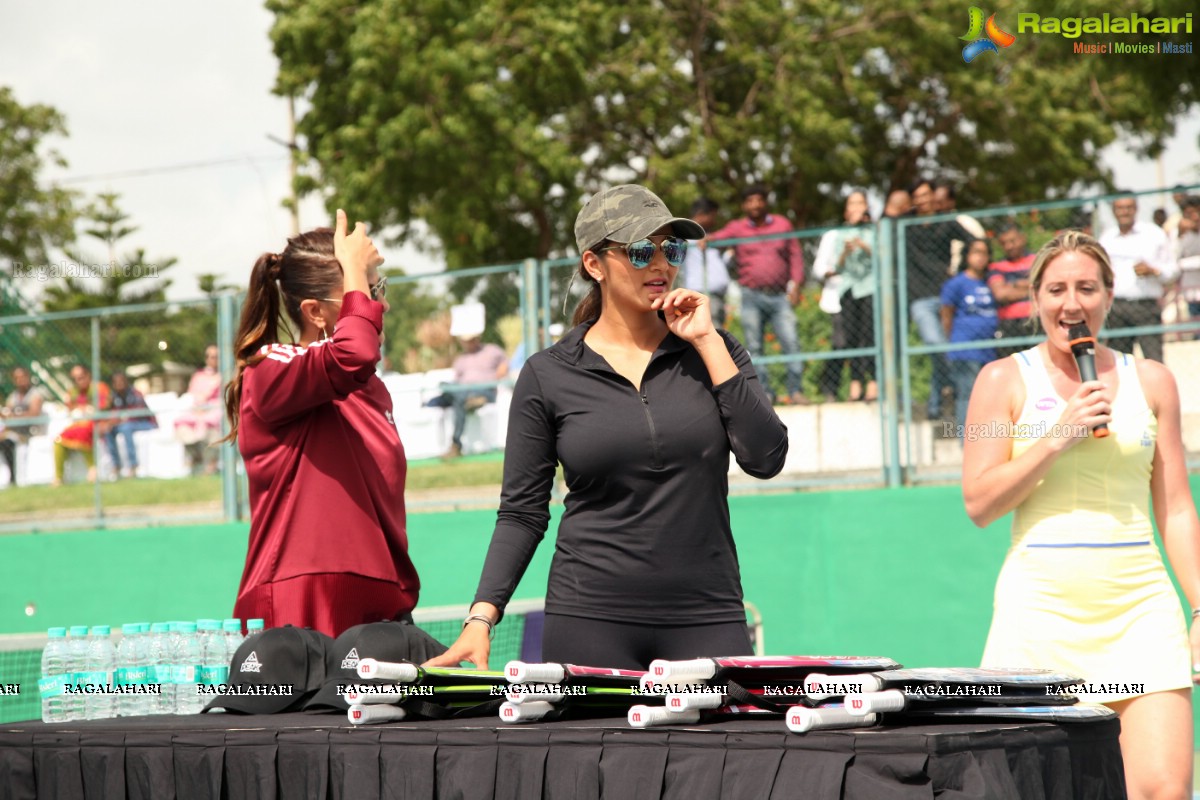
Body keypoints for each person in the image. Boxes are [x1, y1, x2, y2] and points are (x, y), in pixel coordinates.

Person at [426, 184, 789, 671]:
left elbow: (766, 459)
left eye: (672, 248)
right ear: (594, 265)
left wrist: (708, 342)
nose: (660, 264)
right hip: (589, 619)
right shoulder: (548, 373)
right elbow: (522, 512)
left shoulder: (715, 350)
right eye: (640, 251)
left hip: (708, 615)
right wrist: (481, 618)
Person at [962, 231, 1199, 800]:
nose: (1072, 303)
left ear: (1110, 295)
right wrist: (1057, 437)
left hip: (1140, 612)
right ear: (1036, 298)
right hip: (1039, 610)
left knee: (1161, 789)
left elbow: (1175, 507)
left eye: (1087, 287)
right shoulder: (1001, 380)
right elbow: (980, 503)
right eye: (1057, 289)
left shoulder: (1154, 381)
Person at [223, 210, 420, 639]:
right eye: (366, 291)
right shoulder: (273, 367)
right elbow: (354, 353)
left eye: (376, 289)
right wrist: (353, 268)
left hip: (379, 597)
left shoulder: (372, 389)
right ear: (314, 311)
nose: (378, 304)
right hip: (302, 598)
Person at [708, 184, 808, 405]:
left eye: (759, 199)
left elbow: (796, 256)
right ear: (744, 205)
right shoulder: (737, 228)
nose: (755, 204)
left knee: (791, 342)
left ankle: (796, 391)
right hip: (751, 296)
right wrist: (702, 237)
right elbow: (714, 238)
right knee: (754, 347)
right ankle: (765, 393)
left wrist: (797, 286)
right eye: (750, 200)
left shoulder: (782, 224)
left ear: (766, 202)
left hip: (780, 296)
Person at [906, 178, 972, 421]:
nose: (922, 200)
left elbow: (974, 241)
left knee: (945, 350)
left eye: (926, 194)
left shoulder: (946, 222)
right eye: (918, 196)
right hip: (920, 297)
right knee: (936, 345)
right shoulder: (907, 224)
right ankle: (953, 389)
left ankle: (935, 405)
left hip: (947, 296)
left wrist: (961, 269)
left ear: (934, 196)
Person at [811, 190, 877, 401]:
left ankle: (873, 384)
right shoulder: (839, 234)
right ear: (846, 210)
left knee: (869, 337)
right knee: (851, 339)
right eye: (852, 204)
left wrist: (864, 246)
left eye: (860, 203)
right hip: (848, 291)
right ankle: (855, 383)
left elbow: (882, 260)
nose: (856, 208)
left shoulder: (874, 231)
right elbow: (835, 268)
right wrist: (846, 252)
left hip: (869, 289)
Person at [1098, 193, 1176, 362]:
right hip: (1116, 308)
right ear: (1113, 211)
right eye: (1120, 208)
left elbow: (1173, 270)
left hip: (1146, 307)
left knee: (1154, 361)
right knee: (1118, 363)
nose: (1124, 212)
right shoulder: (1106, 238)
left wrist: (1154, 271)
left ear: (1136, 209)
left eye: (1128, 207)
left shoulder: (1154, 234)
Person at [939, 238, 997, 435]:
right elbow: (946, 314)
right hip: (965, 350)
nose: (980, 257)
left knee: (990, 398)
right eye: (975, 252)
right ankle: (967, 441)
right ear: (967, 256)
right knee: (967, 395)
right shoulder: (957, 283)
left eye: (984, 253)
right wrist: (953, 342)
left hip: (988, 351)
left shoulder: (990, 281)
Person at [429, 332, 509, 459]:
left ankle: (456, 445)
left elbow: (505, 363)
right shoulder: (461, 359)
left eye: (472, 340)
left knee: (456, 398)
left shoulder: (491, 350)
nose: (470, 343)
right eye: (466, 340)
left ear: (477, 338)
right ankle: (468, 401)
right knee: (447, 388)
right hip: (462, 390)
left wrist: (497, 377)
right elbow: (457, 379)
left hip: (484, 390)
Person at [53, 364, 111, 486]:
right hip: (77, 424)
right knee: (58, 440)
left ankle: (92, 469)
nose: (79, 381)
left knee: (84, 432)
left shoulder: (99, 387)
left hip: (96, 422)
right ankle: (59, 477)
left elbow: (104, 406)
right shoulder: (72, 391)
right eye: (75, 379)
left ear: (88, 375)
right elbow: (69, 407)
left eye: (81, 377)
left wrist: (87, 408)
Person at [680, 197, 731, 327]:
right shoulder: (685, 236)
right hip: (702, 292)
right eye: (713, 216)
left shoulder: (707, 237)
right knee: (712, 332)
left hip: (714, 295)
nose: (715, 220)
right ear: (702, 215)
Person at [987, 223, 1036, 357]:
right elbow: (1001, 294)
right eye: (1004, 243)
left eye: (1012, 241)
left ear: (1022, 238)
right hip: (1010, 326)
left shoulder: (1037, 261)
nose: (1009, 246)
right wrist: (1032, 288)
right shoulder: (997, 267)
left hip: (1036, 322)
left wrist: (1012, 285)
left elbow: (1046, 286)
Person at [174, 344, 224, 476]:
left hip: (216, 411)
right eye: (210, 357)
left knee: (211, 427)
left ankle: (210, 465)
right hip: (196, 411)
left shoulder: (225, 375)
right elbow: (193, 395)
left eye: (216, 357)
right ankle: (196, 461)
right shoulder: (198, 376)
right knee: (183, 425)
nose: (213, 359)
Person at [103, 372, 157, 479]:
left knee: (126, 427)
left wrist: (120, 419)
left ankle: (133, 466)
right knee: (108, 430)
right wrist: (111, 422)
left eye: (121, 382)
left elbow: (137, 414)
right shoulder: (114, 396)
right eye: (116, 382)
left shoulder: (135, 393)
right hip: (123, 423)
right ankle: (116, 466)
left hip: (145, 423)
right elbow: (112, 413)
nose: (119, 385)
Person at [1, 367, 46, 486]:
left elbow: (33, 414)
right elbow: (6, 414)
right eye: (17, 378)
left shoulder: (35, 394)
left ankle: (13, 479)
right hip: (15, 433)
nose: (20, 381)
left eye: (23, 377)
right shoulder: (13, 396)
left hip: (31, 432)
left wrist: (14, 416)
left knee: (7, 443)